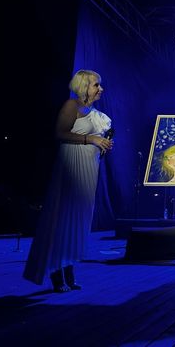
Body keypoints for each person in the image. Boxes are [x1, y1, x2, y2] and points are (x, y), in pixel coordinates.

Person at [23, 69, 113, 292]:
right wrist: (90, 139)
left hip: (88, 169)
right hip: (70, 168)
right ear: (84, 86)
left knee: (77, 221)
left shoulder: (95, 113)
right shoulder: (71, 106)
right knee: (62, 219)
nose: (100, 89)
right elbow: (60, 133)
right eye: (96, 85)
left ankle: (69, 269)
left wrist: (102, 145)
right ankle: (56, 272)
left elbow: (96, 140)